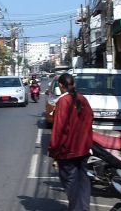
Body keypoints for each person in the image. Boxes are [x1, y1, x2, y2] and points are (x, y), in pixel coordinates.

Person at [49, 73, 94, 211]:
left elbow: (59, 128)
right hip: (83, 148)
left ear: (60, 86)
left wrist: (54, 149)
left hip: (68, 150)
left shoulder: (64, 101)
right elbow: (90, 118)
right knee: (83, 181)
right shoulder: (82, 99)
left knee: (71, 182)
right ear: (73, 84)